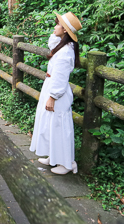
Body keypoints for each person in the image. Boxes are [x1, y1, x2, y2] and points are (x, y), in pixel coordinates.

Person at [29, 11, 82, 175]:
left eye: (58, 24)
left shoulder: (66, 52)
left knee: (59, 126)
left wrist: (52, 97)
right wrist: (58, 31)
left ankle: (67, 164)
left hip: (56, 92)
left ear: (65, 30)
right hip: (51, 87)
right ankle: (54, 157)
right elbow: (52, 43)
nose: (55, 26)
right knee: (50, 124)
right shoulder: (63, 46)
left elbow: (61, 76)